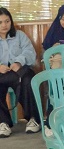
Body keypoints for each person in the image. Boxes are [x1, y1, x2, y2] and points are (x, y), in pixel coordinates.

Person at [0, 8, 37, 137]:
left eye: (7, 21)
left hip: (19, 71)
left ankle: (33, 119)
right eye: (0, 22)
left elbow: (30, 52)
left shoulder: (20, 35)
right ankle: (2, 122)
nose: (4, 25)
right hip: (1, 73)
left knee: (28, 81)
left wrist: (19, 62)